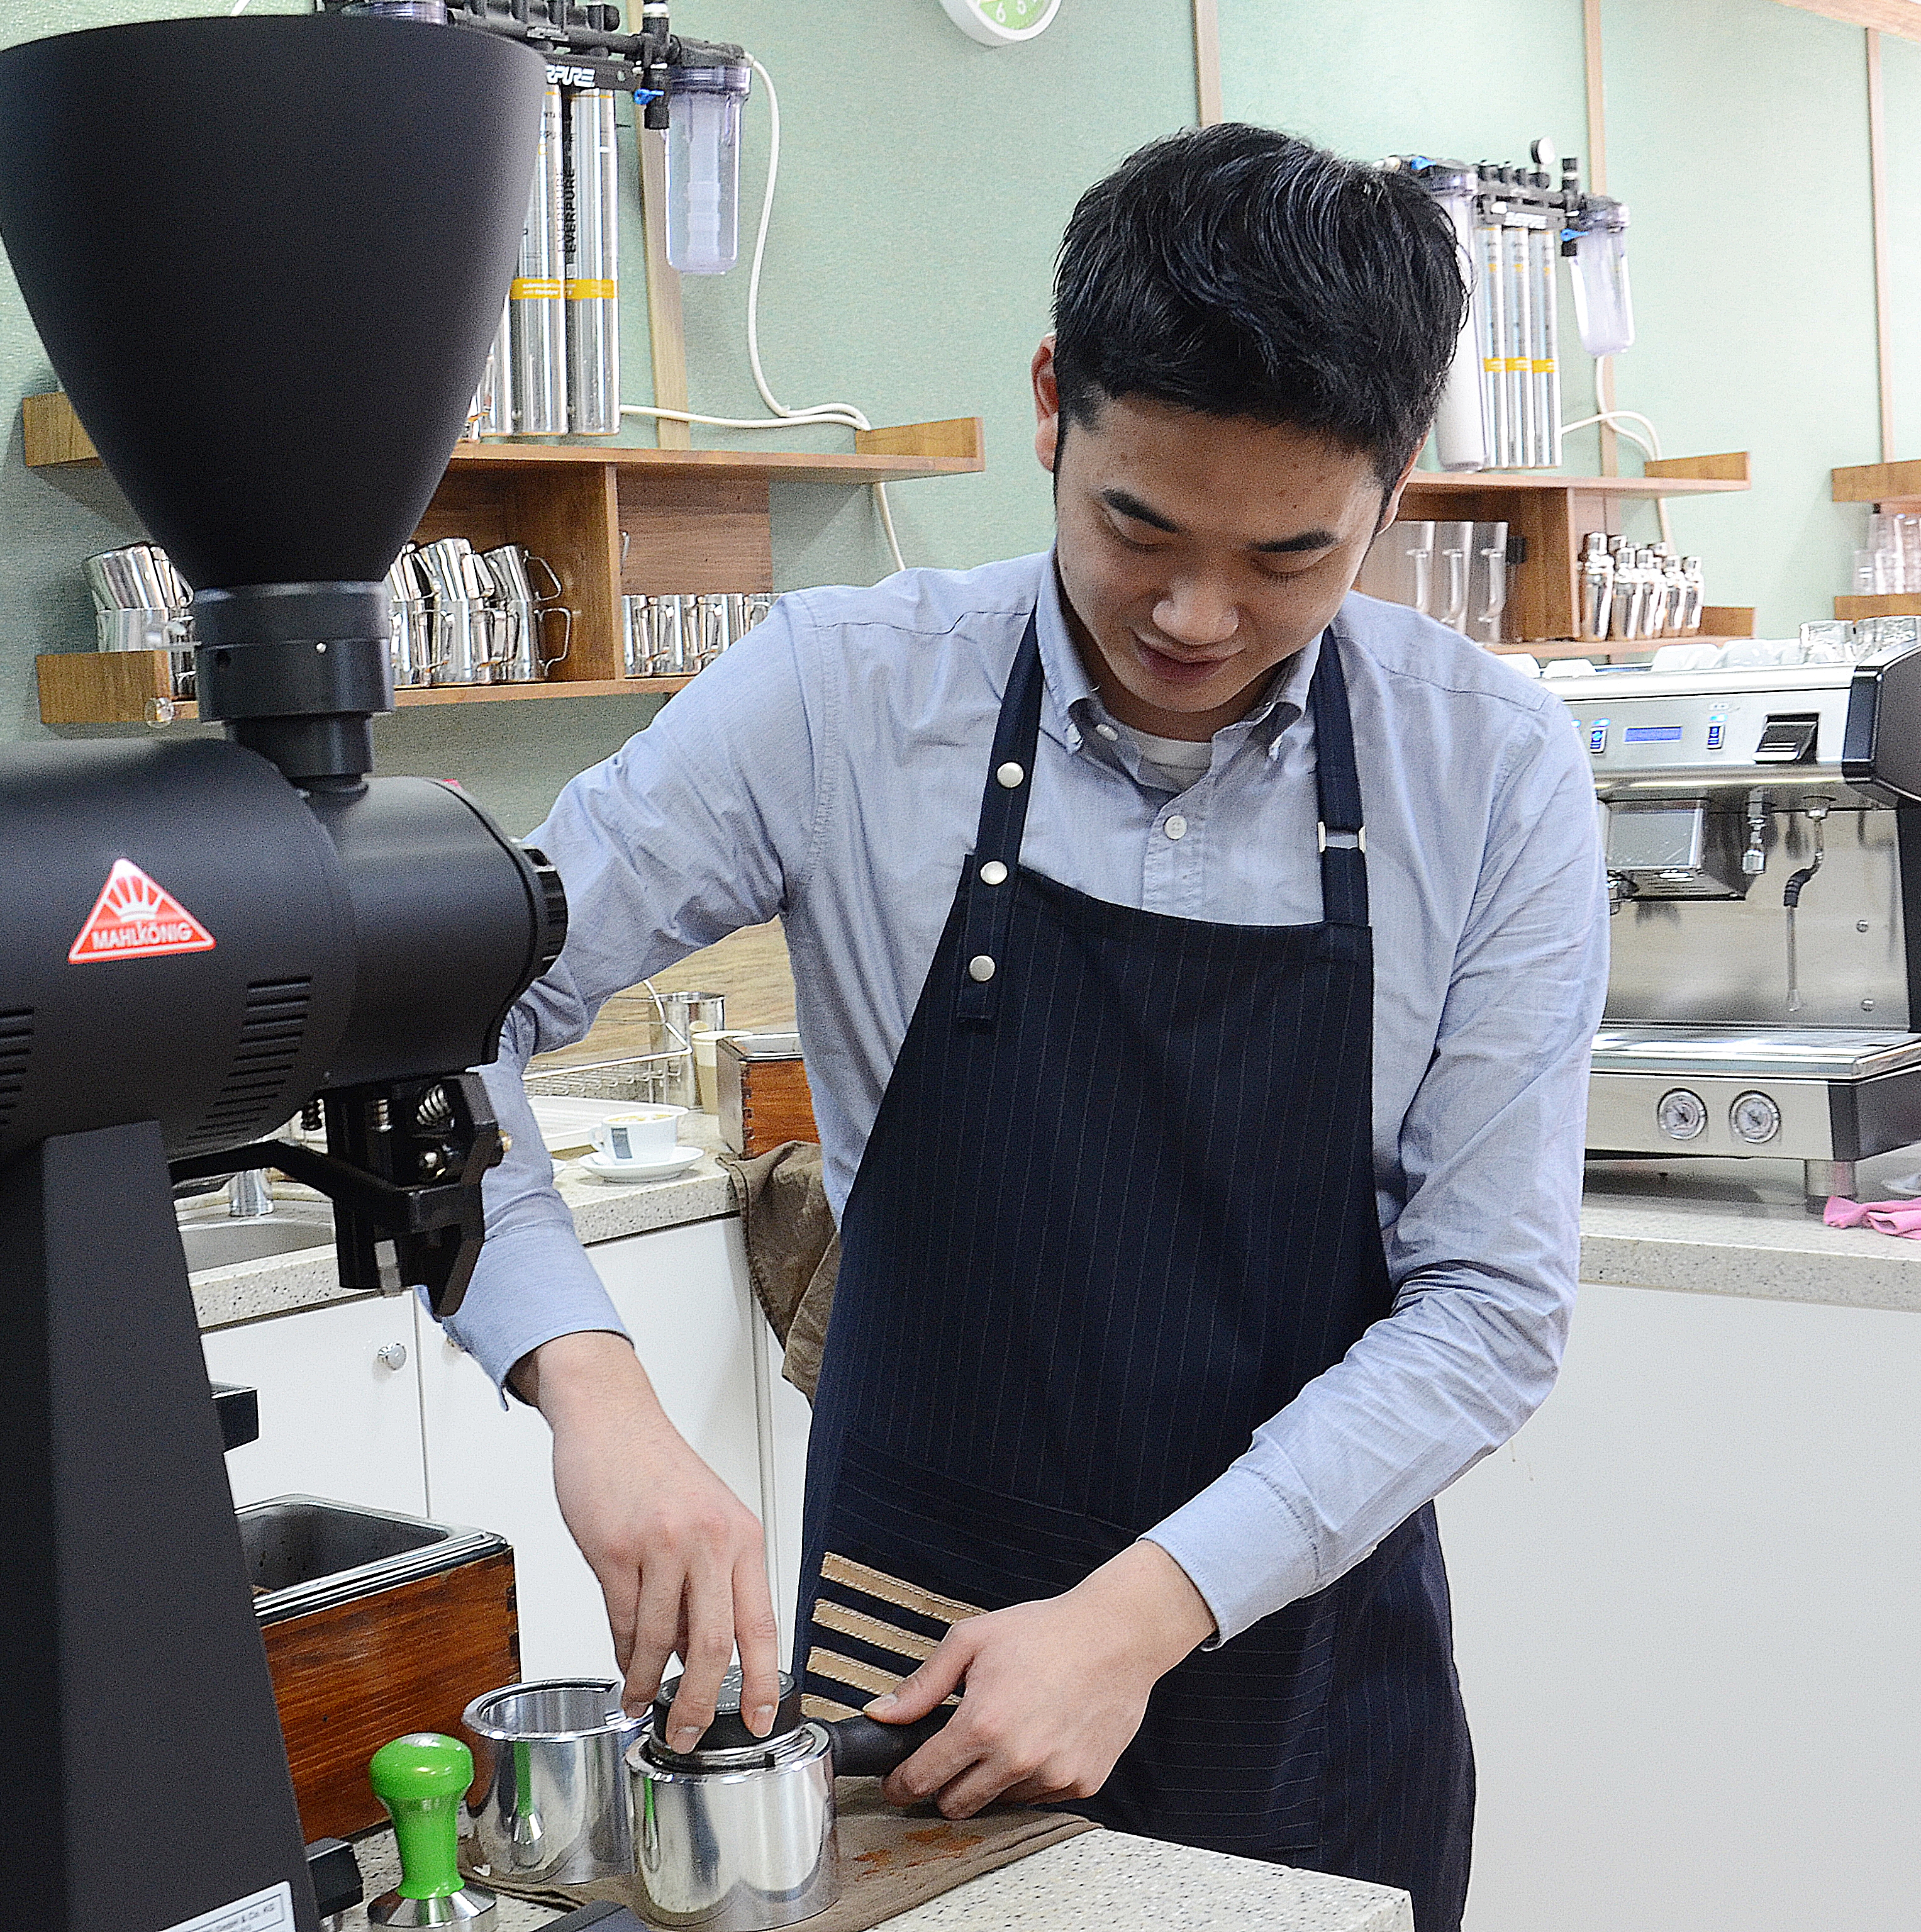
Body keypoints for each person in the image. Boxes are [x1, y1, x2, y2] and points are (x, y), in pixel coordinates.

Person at [440, 123, 1605, 1932]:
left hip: (1286, 1661)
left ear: (1395, 483)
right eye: (1136, 525)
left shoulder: (1494, 773)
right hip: (911, 1675)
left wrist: (1136, 1616)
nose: (1195, 616)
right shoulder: (838, 701)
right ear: (1052, 402)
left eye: (1289, 556)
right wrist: (588, 1389)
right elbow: (441, 1017)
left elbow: (1487, 1306)